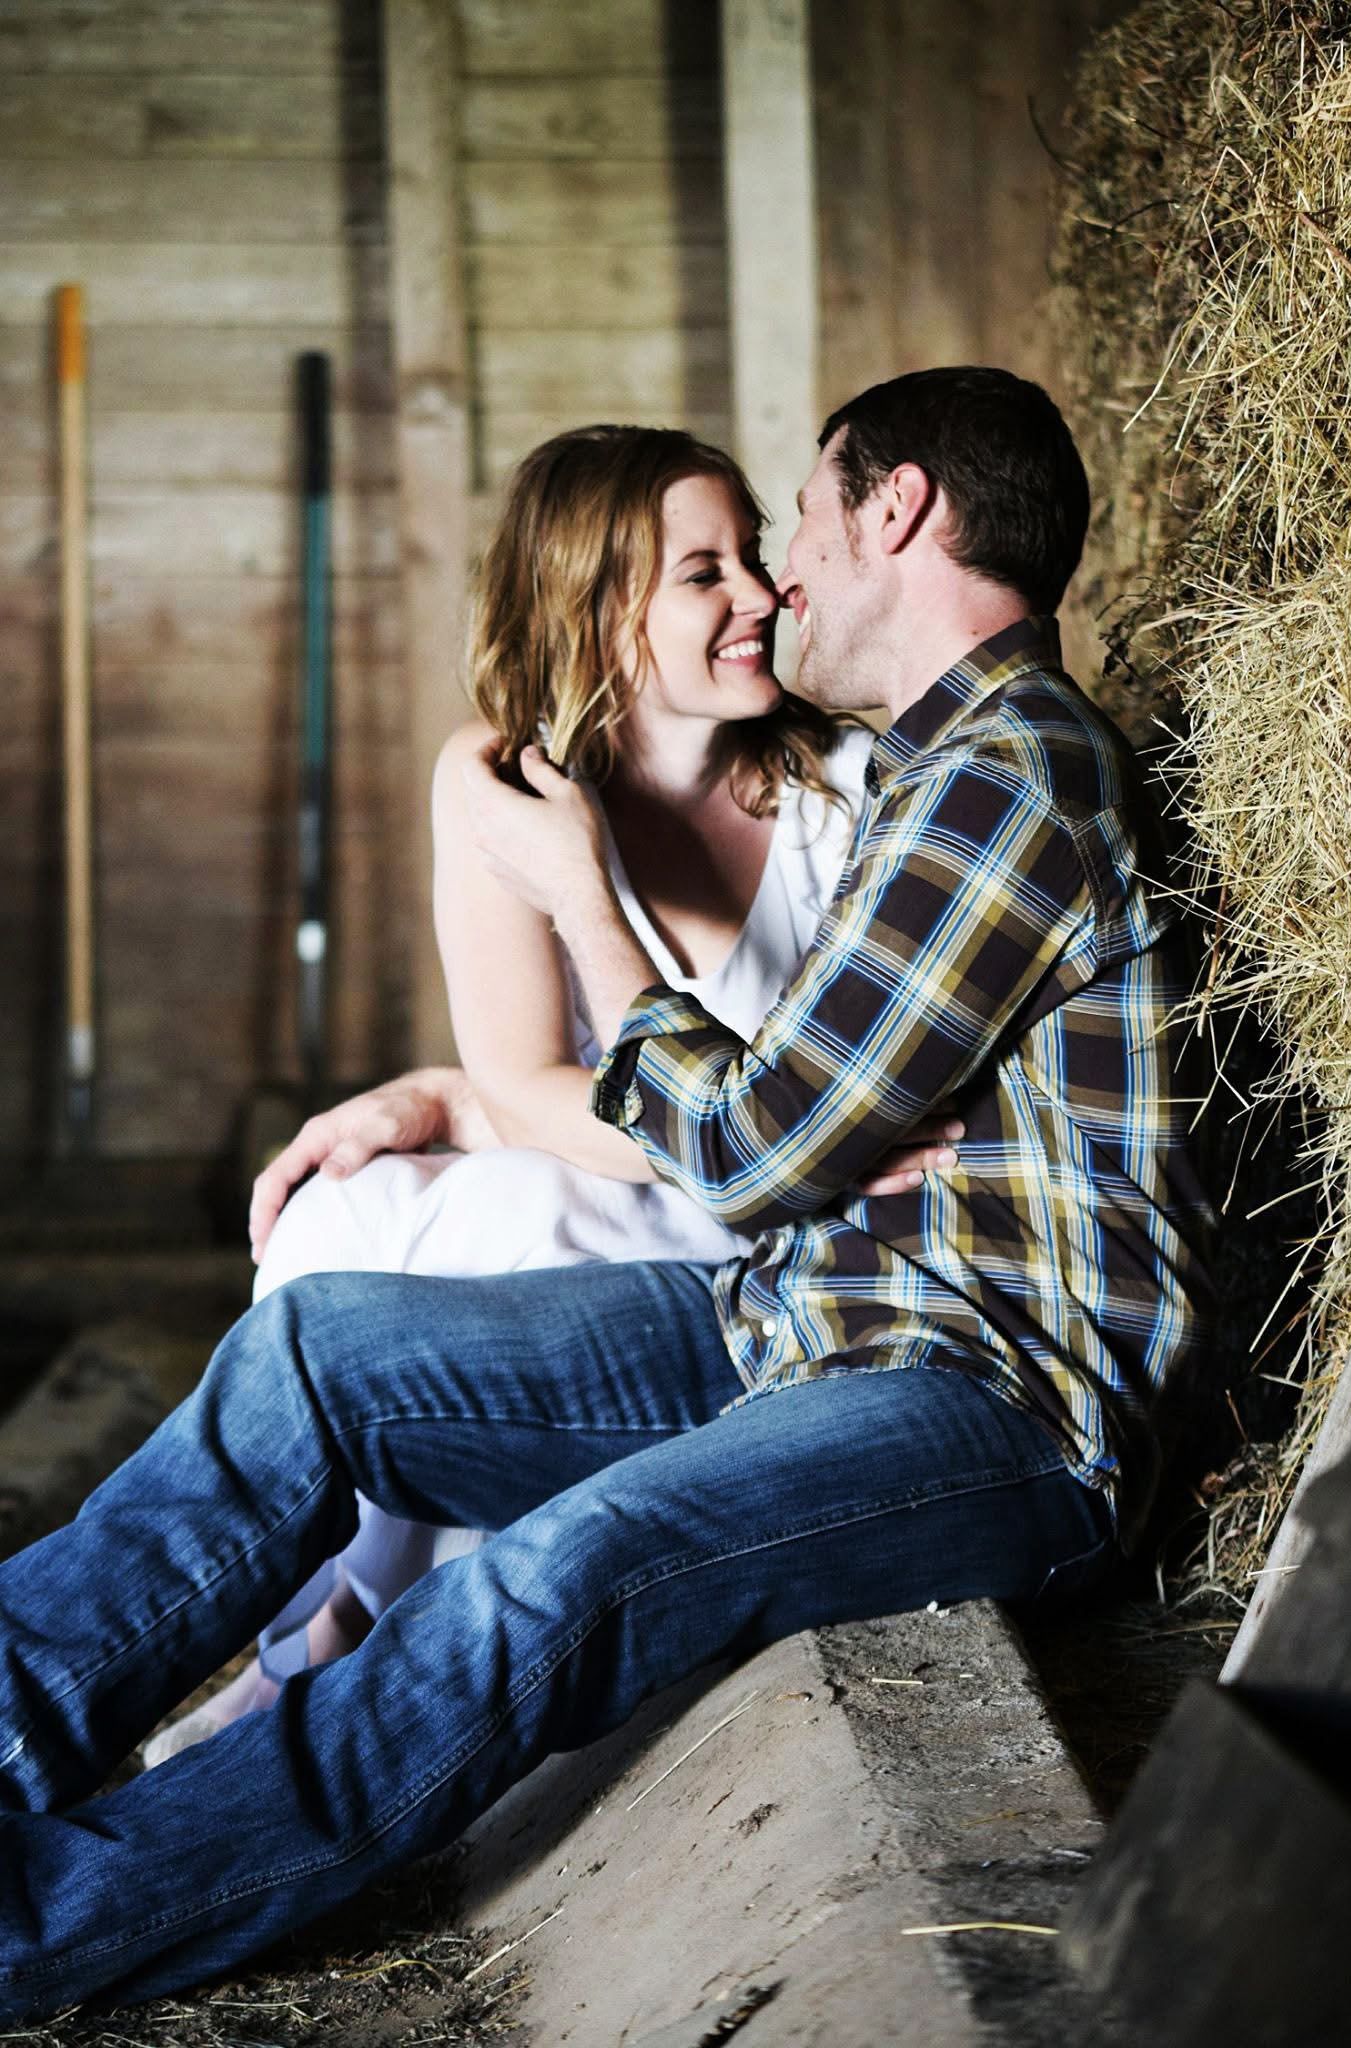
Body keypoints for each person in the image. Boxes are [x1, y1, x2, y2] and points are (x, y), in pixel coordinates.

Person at [0, 368, 1212, 2020]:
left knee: (551, 1579)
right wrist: (699, 1115)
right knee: (319, 1352)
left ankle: (40, 1918)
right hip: (803, 1313)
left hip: (994, 1399)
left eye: (801, 516)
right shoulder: (938, 771)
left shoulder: (1009, 775)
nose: (787, 570)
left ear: (899, 513)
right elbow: (758, 1129)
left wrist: (593, 910)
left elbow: (757, 1147)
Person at [142, 425, 959, 1762]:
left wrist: (755, 1146)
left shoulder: (848, 795)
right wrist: (476, 1102)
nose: (760, 593)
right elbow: (526, 1078)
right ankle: (315, 1633)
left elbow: (806, 1122)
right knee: (339, 1218)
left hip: (796, 1237)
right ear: (596, 610)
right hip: (697, 1175)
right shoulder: (503, 781)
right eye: (705, 572)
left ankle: (352, 1641)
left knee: (490, 1236)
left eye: (750, 552)